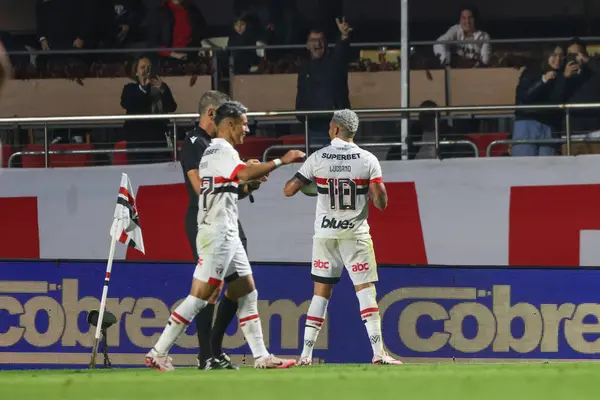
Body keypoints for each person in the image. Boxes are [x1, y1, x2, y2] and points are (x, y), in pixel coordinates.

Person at [146, 101, 304, 371]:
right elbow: (242, 173)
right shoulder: (221, 149)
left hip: (226, 232)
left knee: (246, 290)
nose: (246, 128)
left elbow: (232, 184)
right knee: (198, 297)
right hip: (217, 234)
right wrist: (280, 160)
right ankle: (158, 352)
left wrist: (249, 180)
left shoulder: (213, 152)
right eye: (243, 123)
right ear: (229, 125)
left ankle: (261, 356)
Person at [283, 109, 403, 366]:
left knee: (320, 295)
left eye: (329, 126)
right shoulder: (367, 159)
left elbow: (289, 189)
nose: (328, 130)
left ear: (336, 129)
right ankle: (378, 353)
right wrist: (375, 191)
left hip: (325, 234)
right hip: (355, 235)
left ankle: (305, 356)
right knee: (365, 291)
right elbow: (381, 202)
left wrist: (313, 186)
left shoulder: (318, 158)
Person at [180, 90, 263, 370]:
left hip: (227, 219)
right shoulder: (194, 141)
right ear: (213, 114)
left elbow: (228, 186)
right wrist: (245, 180)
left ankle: (214, 347)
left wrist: (248, 183)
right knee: (210, 290)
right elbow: (201, 188)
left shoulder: (219, 144)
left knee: (239, 285)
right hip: (205, 220)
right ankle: (205, 355)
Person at [512, 45, 569, 157]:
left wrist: (564, 78)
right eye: (554, 55)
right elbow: (525, 96)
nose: (558, 59)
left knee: (548, 168)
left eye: (561, 56)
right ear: (547, 55)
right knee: (523, 166)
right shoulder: (532, 70)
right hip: (528, 122)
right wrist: (543, 80)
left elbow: (558, 99)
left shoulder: (563, 75)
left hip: (549, 125)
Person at [120, 55, 177, 164]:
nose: (146, 70)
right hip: (137, 141)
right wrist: (144, 88)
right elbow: (127, 104)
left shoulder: (161, 87)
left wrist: (163, 91)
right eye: (143, 67)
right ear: (136, 72)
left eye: (149, 67)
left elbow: (172, 107)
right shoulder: (130, 88)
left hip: (158, 140)